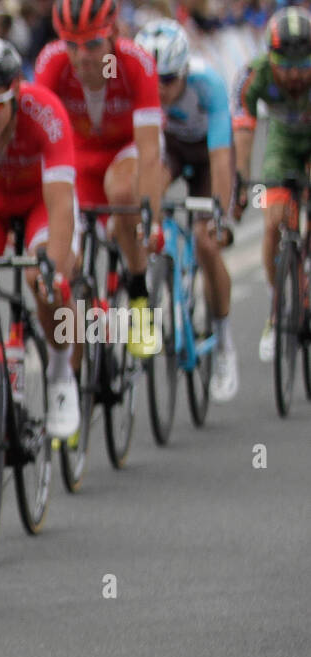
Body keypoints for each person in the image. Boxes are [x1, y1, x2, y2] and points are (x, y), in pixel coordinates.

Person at [0, 34, 81, 440]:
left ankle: (62, 376)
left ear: (15, 94)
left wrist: (55, 271)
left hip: (39, 203)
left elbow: (62, 203)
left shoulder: (44, 111)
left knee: (41, 282)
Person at [36, 0, 163, 357]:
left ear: (114, 35)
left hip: (125, 151)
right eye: (71, 45)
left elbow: (150, 152)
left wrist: (150, 217)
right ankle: (73, 362)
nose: (82, 57)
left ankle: (138, 297)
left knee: (122, 191)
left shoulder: (136, 63)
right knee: (64, 260)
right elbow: (42, 142)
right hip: (78, 158)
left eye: (93, 45)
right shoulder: (52, 63)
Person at [135, 18, 237, 401]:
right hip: (171, 152)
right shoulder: (139, 91)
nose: (159, 91)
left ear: (183, 72)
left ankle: (225, 342)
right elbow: (143, 162)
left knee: (206, 241)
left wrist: (220, 217)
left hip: (209, 156)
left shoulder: (207, 83)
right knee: (146, 206)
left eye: (168, 81)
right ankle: (156, 290)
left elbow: (223, 157)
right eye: (152, 82)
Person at [233, 6, 311, 365]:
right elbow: (244, 130)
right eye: (287, 66)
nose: (295, 75)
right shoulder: (256, 75)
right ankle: (277, 305)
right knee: (271, 221)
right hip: (280, 145)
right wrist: (241, 183)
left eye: (302, 65)